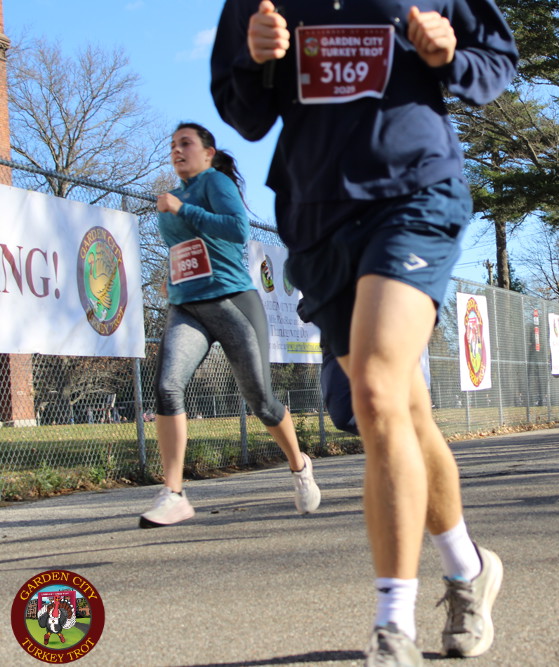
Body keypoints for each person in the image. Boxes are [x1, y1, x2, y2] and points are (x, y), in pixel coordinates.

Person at [212, 3, 517, 664]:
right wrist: (255, 62)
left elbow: (496, 61)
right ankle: (468, 569)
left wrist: (449, 56)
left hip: (414, 191)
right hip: (317, 213)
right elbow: (243, 114)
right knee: (403, 410)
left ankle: (392, 627)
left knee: (375, 392)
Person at [141, 122, 320, 528]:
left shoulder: (215, 183)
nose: (176, 150)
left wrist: (182, 209)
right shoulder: (174, 195)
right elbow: (186, 249)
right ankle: (174, 493)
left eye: (185, 143)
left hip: (232, 301)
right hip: (187, 306)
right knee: (167, 387)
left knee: (261, 401)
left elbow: (237, 230)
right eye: (172, 145)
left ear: (207, 153)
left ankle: (299, 465)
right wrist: (173, 274)